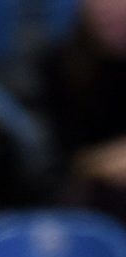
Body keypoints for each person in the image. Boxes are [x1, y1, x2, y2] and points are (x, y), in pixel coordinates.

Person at [37, 0, 126, 222]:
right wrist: (101, 163)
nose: (112, 8)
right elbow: (58, 156)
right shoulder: (57, 66)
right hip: (88, 195)